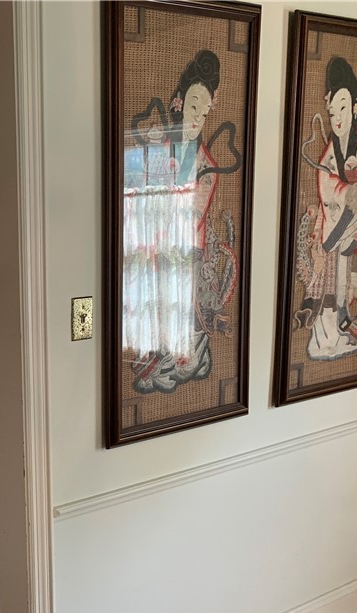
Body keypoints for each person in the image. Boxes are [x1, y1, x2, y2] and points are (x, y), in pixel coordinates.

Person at [125, 49, 238, 394]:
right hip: (152, 242)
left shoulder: (207, 165)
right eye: (192, 107)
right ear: (178, 102)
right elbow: (134, 188)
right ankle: (159, 354)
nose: (197, 118)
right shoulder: (158, 145)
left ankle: (183, 359)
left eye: (204, 112)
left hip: (184, 247)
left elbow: (192, 214)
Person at [298, 56, 357, 360]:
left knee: (347, 281)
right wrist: (350, 192)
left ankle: (343, 328)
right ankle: (325, 337)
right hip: (335, 224)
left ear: (356, 107)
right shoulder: (328, 154)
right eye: (332, 109)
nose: (336, 117)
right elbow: (327, 187)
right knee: (331, 285)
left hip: (353, 229)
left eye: (343, 107)